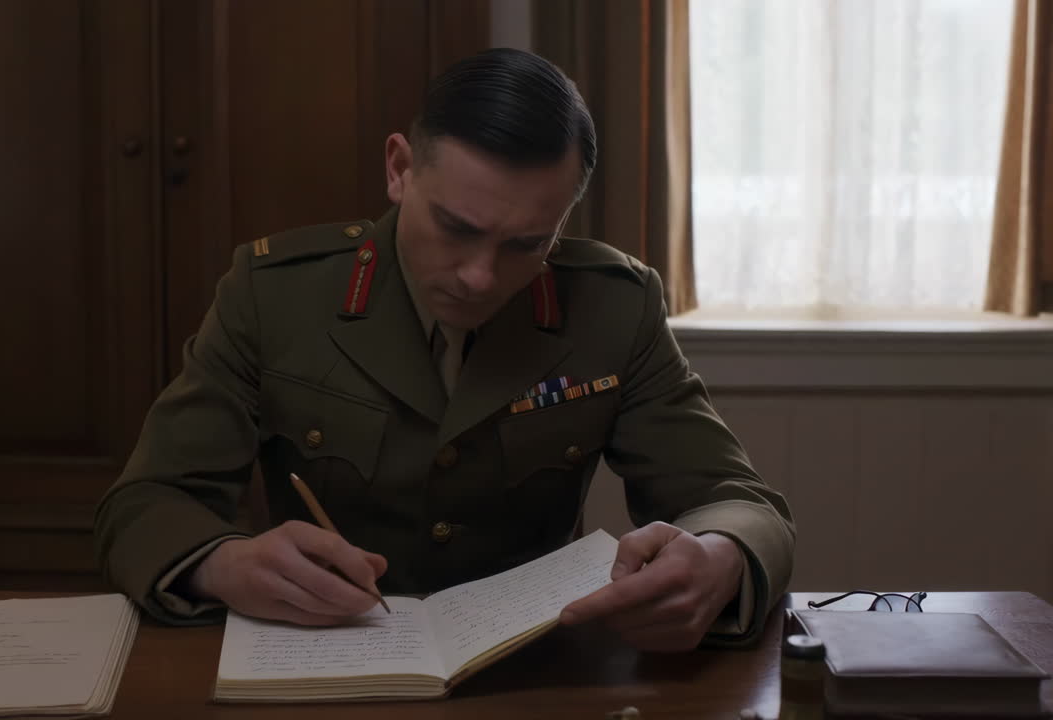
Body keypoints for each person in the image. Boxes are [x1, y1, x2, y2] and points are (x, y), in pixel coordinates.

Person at [94, 47, 794, 651]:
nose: (480, 276)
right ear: (399, 170)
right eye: (456, 228)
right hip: (319, 662)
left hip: (535, 675)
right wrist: (223, 563)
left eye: (526, 244)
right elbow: (147, 503)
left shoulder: (615, 305)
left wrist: (719, 556)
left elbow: (737, 502)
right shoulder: (272, 294)